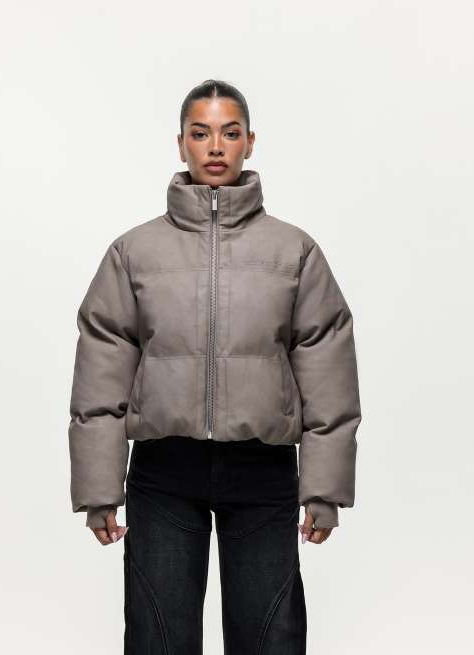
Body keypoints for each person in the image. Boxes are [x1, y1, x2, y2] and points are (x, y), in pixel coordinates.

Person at [68, 79, 362, 654]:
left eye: (230, 133)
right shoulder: (134, 253)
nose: (216, 146)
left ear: (250, 142)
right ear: (181, 143)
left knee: (270, 639)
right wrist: (99, 489)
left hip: (263, 471)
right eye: (200, 134)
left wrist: (324, 489)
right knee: (157, 639)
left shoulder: (294, 252)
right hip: (164, 471)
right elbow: (102, 369)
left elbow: (326, 364)